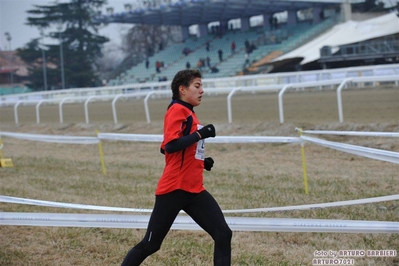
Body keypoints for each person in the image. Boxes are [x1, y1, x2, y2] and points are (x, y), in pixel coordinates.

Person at [121, 69, 232, 266]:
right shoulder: (176, 110)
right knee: (151, 243)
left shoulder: (188, 111)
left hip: (194, 189)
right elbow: (170, 146)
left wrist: (200, 161)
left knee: (223, 234)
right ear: (182, 89)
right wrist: (201, 134)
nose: (202, 91)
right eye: (197, 86)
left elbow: (170, 149)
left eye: (201, 86)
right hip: (174, 188)